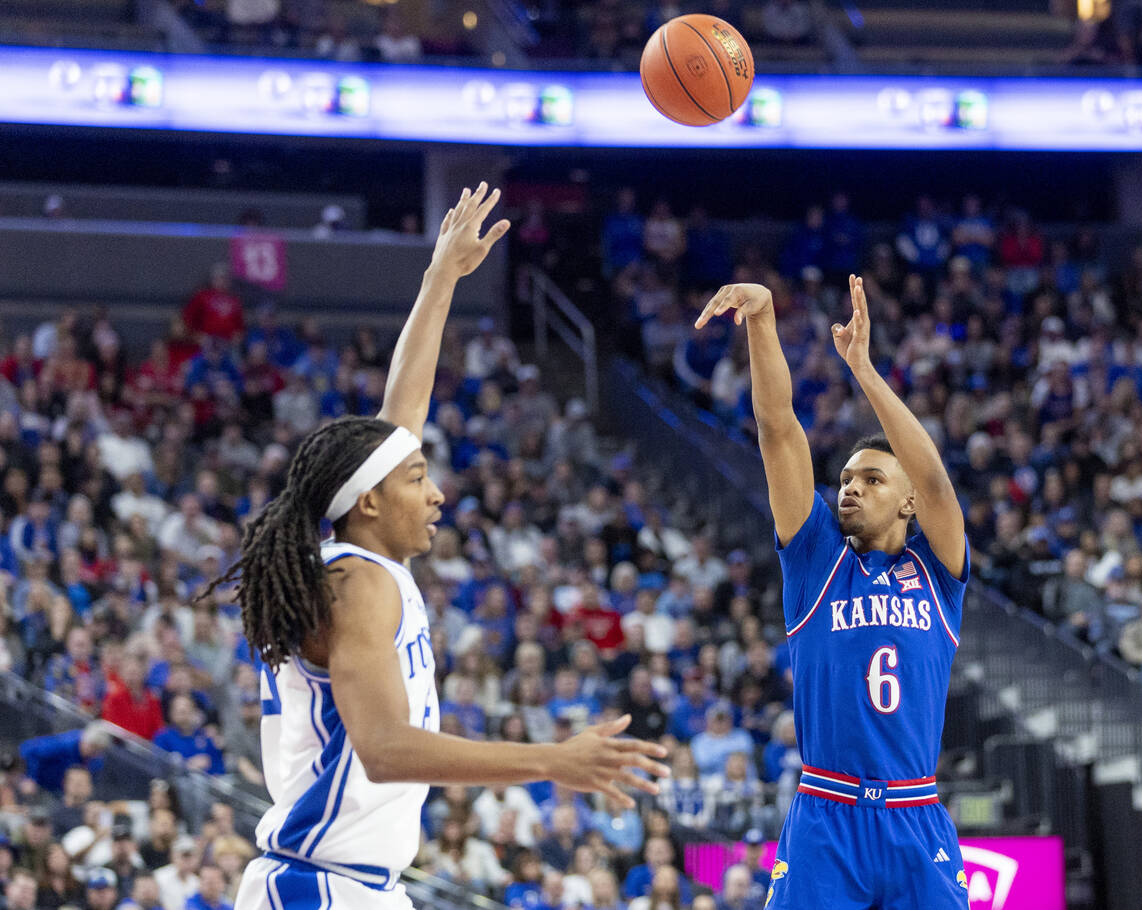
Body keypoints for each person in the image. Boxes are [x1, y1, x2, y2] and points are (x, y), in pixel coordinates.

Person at [214, 184, 668, 910]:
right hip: (319, 890)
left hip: (355, 887)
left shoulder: (361, 563)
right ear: (368, 501)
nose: (436, 495)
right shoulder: (355, 583)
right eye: (418, 479)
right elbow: (386, 748)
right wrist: (552, 760)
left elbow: (401, 417)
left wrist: (439, 280)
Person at [694, 275, 969, 907]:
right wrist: (762, 320)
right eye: (845, 478)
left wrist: (864, 373)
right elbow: (777, 429)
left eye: (871, 479)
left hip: (915, 810)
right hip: (827, 811)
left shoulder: (940, 568)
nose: (849, 487)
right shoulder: (815, 557)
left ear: (906, 503)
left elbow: (931, 476)